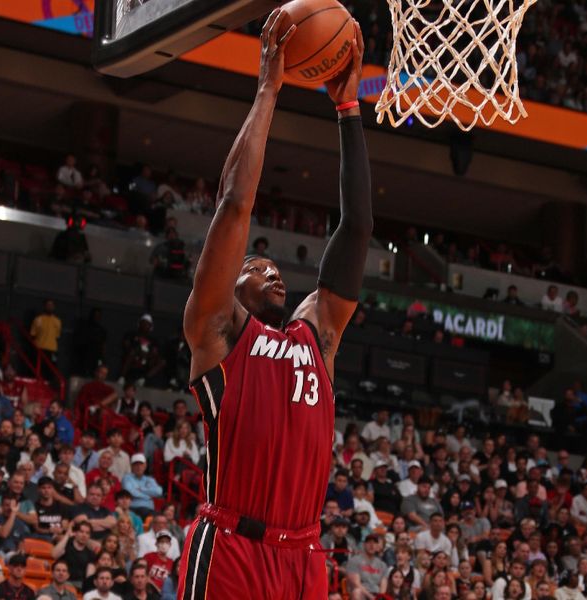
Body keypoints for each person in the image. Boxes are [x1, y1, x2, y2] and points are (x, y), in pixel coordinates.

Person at [177, 14, 371, 598]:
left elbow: (357, 228)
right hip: (233, 545)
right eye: (254, 267)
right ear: (227, 288)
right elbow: (236, 205)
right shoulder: (216, 332)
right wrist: (269, 88)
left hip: (304, 555)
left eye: (276, 266)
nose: (271, 271)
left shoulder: (319, 335)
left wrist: (349, 111)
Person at [346, 534, 388, 599]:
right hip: (362, 593)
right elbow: (356, 584)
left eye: (375, 543)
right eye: (369, 542)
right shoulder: (354, 560)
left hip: (376, 594)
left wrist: (379, 598)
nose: (372, 545)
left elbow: (383, 587)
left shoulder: (382, 565)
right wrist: (370, 597)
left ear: (378, 546)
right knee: (357, 591)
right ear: (364, 545)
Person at [121, 454, 163, 519]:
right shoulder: (127, 478)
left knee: (162, 518)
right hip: (134, 508)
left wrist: (141, 489)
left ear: (145, 466)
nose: (139, 467)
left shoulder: (150, 479)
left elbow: (159, 492)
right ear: (131, 466)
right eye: (136, 464)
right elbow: (130, 492)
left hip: (149, 510)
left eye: (141, 464)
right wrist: (149, 496)